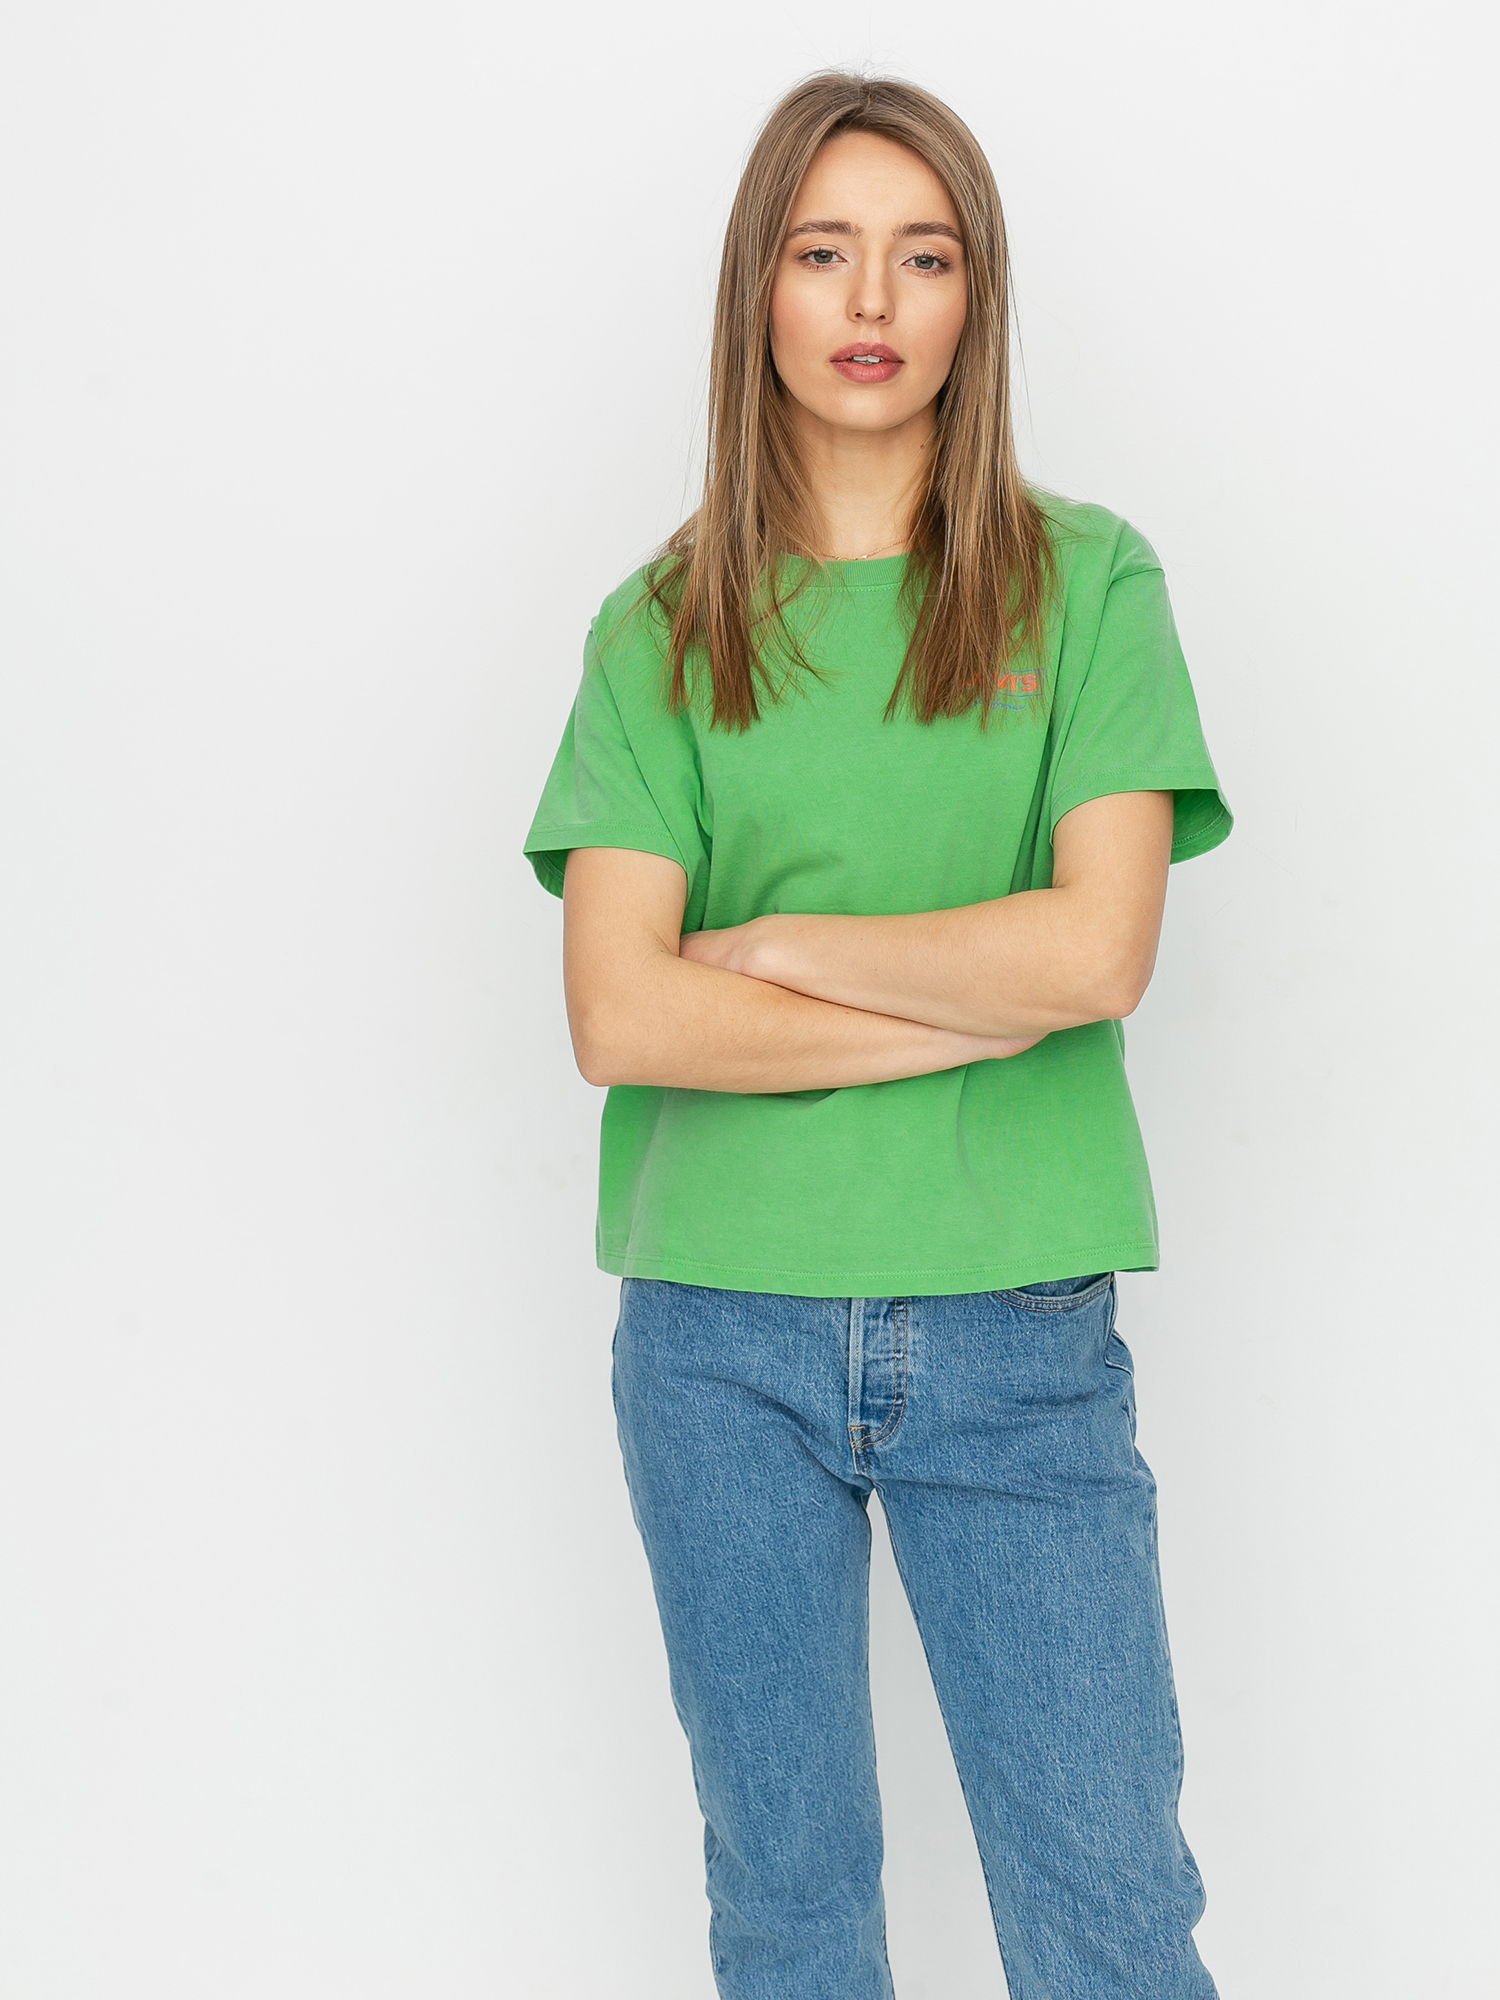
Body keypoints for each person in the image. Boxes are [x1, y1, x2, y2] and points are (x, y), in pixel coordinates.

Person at [523, 69, 1229, 2000]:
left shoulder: (1091, 585)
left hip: (1015, 1328)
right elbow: (618, 1010)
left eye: (924, 258)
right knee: (788, 1904)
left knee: (1107, 1911)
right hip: (715, 1338)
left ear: (975, 297)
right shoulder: (661, 627)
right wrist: (961, 1009)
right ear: (758, 286)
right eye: (824, 250)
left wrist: (785, 952)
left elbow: (1097, 955)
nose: (870, 300)